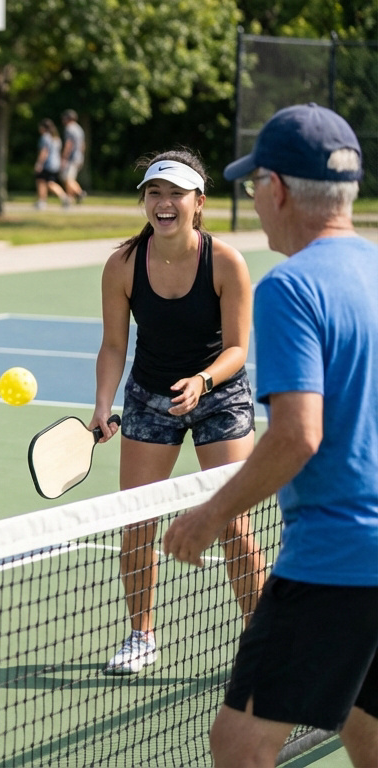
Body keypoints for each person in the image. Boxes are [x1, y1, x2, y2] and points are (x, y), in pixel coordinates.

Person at [164, 104, 378, 767]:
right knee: (366, 724)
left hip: (333, 564)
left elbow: (296, 437)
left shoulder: (292, 287)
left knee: (240, 745)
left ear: (278, 189)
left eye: (255, 184)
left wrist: (210, 515)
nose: (253, 201)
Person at [93, 149, 265, 676]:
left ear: (198, 203)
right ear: (145, 201)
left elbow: (237, 348)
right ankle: (141, 636)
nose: (163, 203)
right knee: (137, 523)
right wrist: (103, 402)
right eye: (154, 193)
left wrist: (203, 380)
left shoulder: (225, 261)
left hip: (220, 394)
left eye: (175, 194)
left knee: (233, 524)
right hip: (150, 396)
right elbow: (114, 345)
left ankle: (263, 641)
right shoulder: (123, 264)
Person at [33, 118, 68, 210]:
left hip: (47, 163)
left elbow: (44, 152)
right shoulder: (56, 138)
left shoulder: (45, 137)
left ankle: (42, 202)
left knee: (41, 181)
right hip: (55, 163)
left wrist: (39, 163)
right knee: (50, 183)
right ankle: (64, 197)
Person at [60, 110, 86, 203]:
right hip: (79, 157)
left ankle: (79, 193)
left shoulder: (69, 128)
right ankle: (70, 198)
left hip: (71, 158)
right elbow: (83, 145)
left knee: (67, 178)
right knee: (70, 178)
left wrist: (64, 157)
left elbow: (69, 144)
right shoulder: (79, 129)